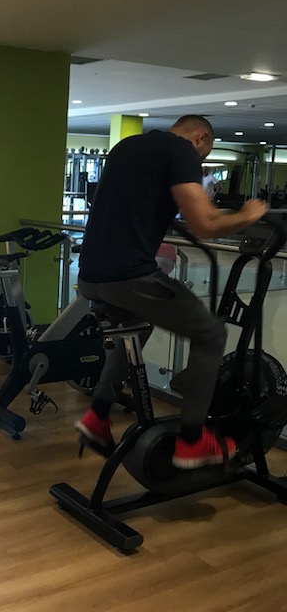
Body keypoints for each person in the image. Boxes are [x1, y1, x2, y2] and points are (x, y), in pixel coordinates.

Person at [75, 115, 268, 469]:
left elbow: (140, 204)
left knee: (136, 327)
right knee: (211, 333)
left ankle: (98, 415)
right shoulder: (181, 152)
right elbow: (205, 223)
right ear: (200, 138)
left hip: (90, 275)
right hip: (129, 276)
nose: (200, 161)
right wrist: (248, 214)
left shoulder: (128, 147)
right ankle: (192, 440)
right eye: (205, 154)